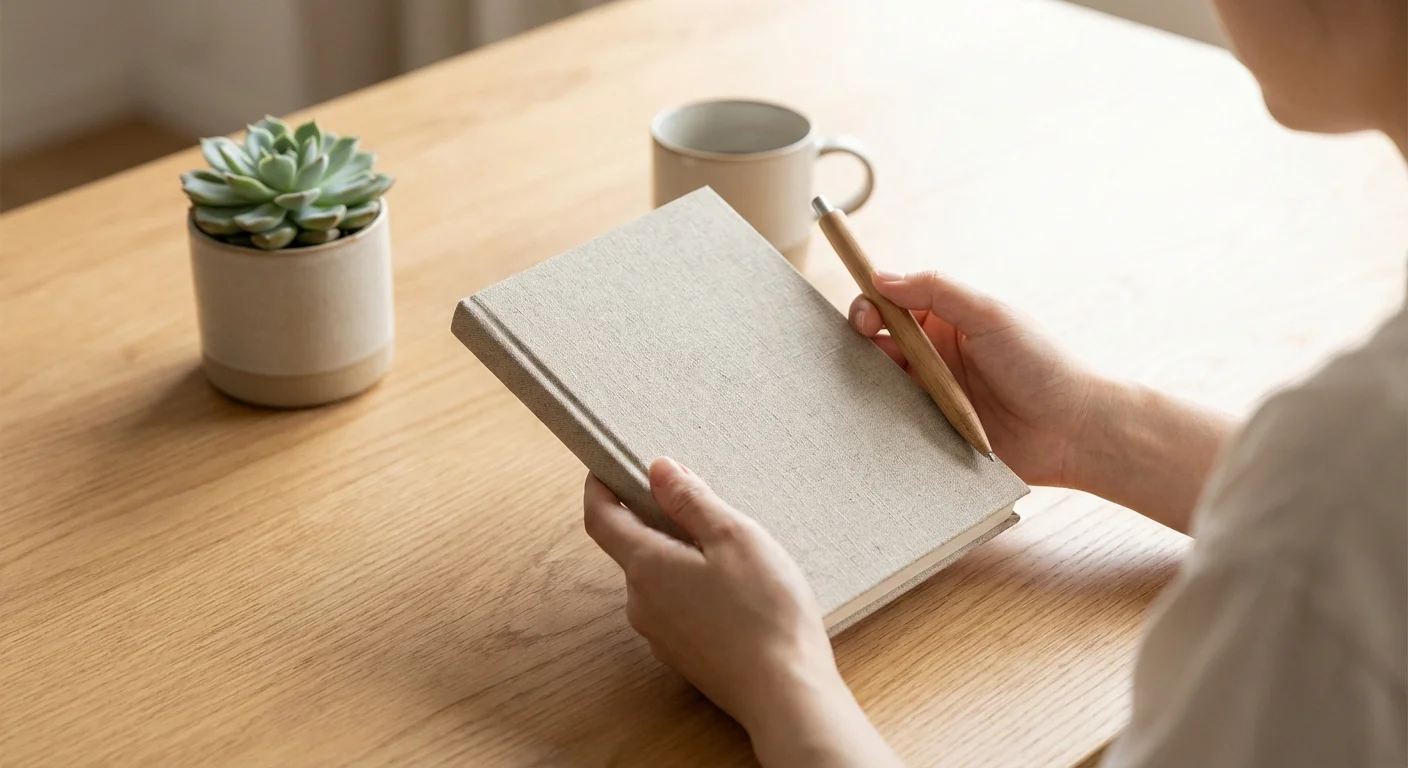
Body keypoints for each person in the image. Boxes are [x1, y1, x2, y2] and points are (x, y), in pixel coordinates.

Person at [581, 0, 1407, 764]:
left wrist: (779, 678)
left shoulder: (1338, 485)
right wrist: (1085, 428)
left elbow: (1341, 519)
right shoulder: (1345, 469)